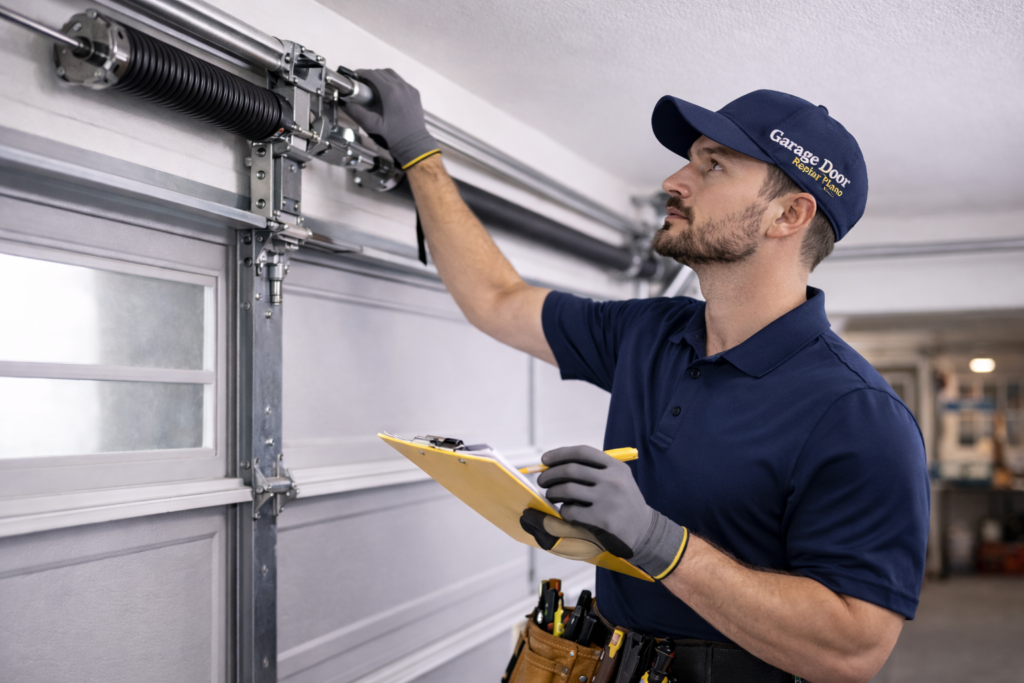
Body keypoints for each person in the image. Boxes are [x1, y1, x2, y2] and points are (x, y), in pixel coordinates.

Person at [345, 70, 930, 683]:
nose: (673, 181)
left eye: (713, 165)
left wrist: (658, 542)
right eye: (689, 160)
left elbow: (852, 651)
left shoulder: (858, 414)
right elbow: (498, 300)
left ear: (788, 214)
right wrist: (419, 154)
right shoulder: (650, 333)